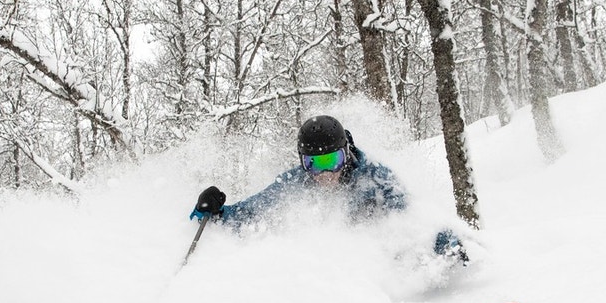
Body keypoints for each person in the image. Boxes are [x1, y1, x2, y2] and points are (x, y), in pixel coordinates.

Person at [190, 114, 465, 261]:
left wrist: (443, 243)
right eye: (313, 163)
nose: (323, 173)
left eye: (331, 160)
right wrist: (218, 212)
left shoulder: (374, 179)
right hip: (339, 276)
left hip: (383, 263)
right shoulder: (295, 183)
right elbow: (254, 211)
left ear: (345, 153)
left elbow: (412, 219)